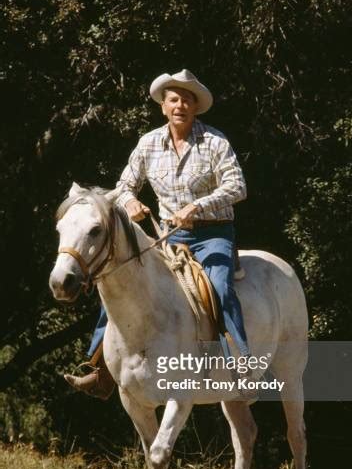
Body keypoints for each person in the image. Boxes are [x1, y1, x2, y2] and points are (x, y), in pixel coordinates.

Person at [65, 69, 249, 399]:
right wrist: (131, 201)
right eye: (174, 100)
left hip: (212, 235)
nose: (180, 106)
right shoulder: (148, 143)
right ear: (163, 106)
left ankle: (240, 363)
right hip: (168, 237)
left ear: (195, 107)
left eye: (187, 101)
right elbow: (123, 187)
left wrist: (198, 207)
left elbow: (237, 186)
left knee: (220, 286)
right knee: (119, 283)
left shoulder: (215, 142)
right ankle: (99, 369)